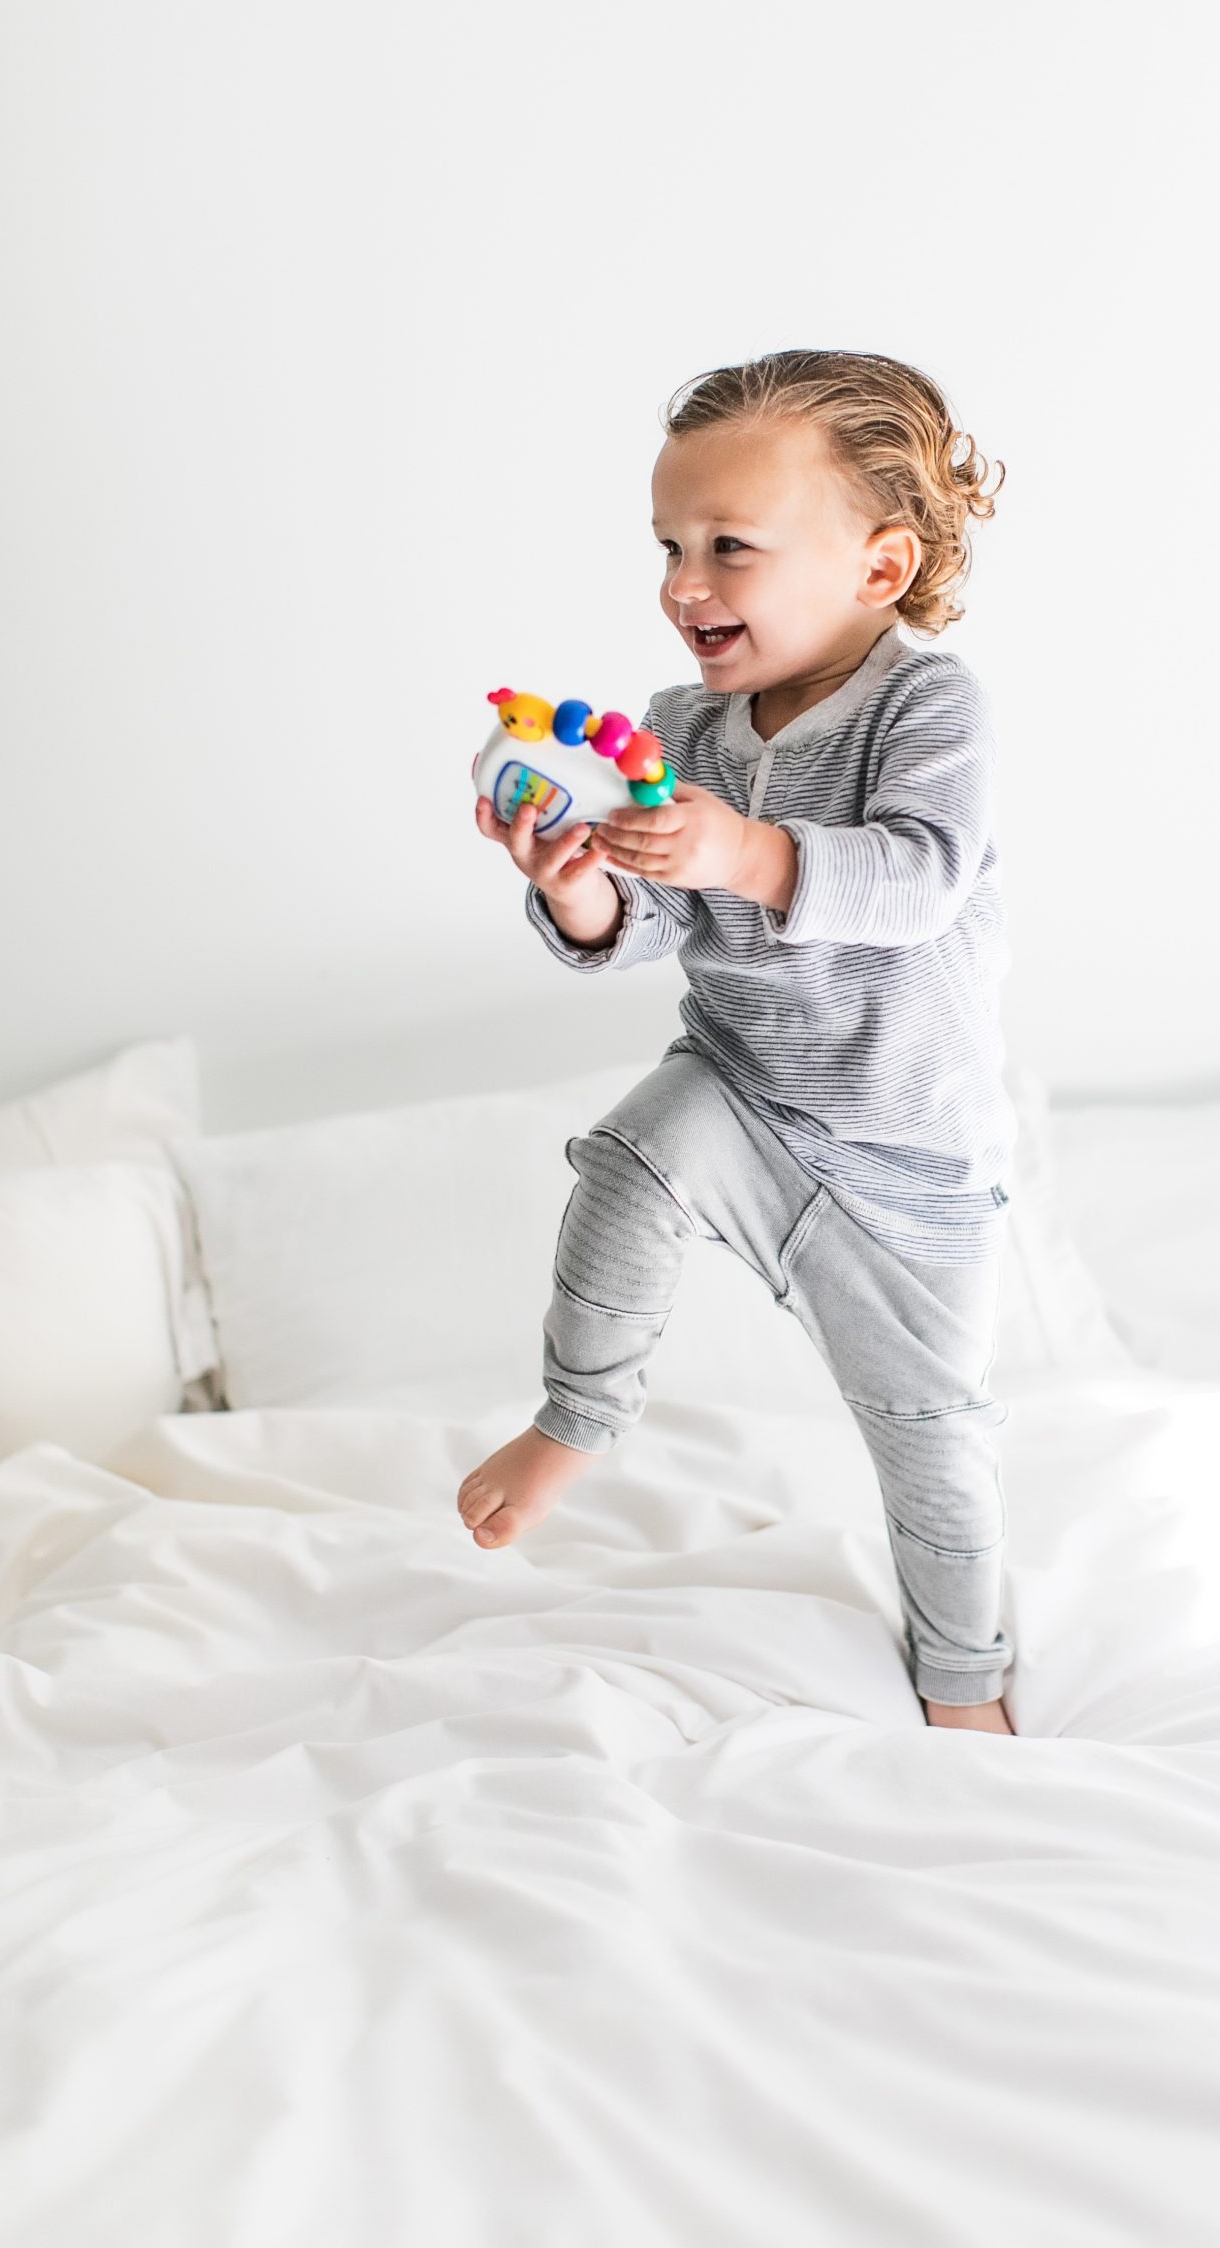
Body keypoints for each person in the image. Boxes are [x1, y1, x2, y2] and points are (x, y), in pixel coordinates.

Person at [457, 348, 1019, 1734]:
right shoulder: (676, 729)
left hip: (905, 1156)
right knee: (627, 1162)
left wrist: (746, 847)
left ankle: (967, 1686)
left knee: (930, 1438)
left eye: (729, 550)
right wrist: (575, 882)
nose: (681, 585)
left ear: (878, 570)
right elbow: (650, 922)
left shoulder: (924, 707)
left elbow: (917, 881)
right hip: (746, 1084)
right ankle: (573, 1419)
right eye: (668, 546)